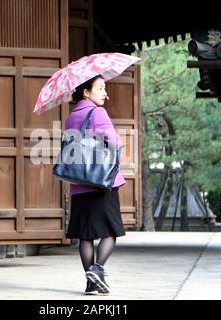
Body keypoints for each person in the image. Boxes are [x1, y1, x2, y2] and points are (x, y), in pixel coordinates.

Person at [65, 75, 126, 295]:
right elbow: (115, 143)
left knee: (86, 235)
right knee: (111, 231)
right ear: (86, 92)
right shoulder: (98, 112)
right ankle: (98, 269)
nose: (105, 93)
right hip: (102, 182)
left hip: (80, 182)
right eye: (100, 88)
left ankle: (91, 284)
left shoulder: (71, 116)